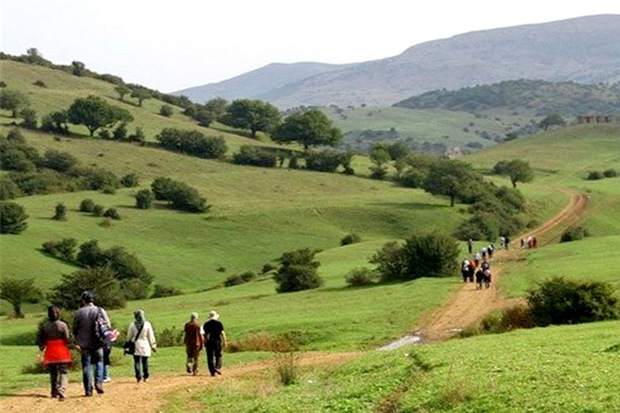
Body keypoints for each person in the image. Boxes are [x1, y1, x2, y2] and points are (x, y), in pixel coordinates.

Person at [73, 291, 110, 397]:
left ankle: (88, 390)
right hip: (98, 342)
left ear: (83, 300)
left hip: (84, 343)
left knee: (86, 365)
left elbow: (75, 328)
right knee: (99, 361)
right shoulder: (100, 310)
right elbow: (107, 324)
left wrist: (77, 339)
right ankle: (98, 382)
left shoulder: (79, 312)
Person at [37, 306, 72, 401]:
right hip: (61, 351)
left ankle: (54, 391)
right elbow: (67, 338)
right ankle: (62, 390)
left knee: (53, 373)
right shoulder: (63, 325)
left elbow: (41, 339)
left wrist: (41, 348)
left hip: (50, 351)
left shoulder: (45, 326)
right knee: (64, 372)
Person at [127, 310, 157, 383]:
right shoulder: (147, 324)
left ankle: (138, 377)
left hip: (136, 344)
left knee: (137, 361)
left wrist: (128, 343)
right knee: (145, 361)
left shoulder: (132, 325)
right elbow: (150, 336)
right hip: (145, 344)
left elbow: (129, 336)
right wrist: (153, 345)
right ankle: (146, 376)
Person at [203, 310, 227, 377]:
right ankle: (217, 367)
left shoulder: (206, 324)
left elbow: (204, 334)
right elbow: (222, 333)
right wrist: (225, 341)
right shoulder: (219, 323)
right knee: (218, 355)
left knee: (210, 357)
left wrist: (204, 342)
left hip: (209, 341)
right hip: (217, 341)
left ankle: (212, 371)